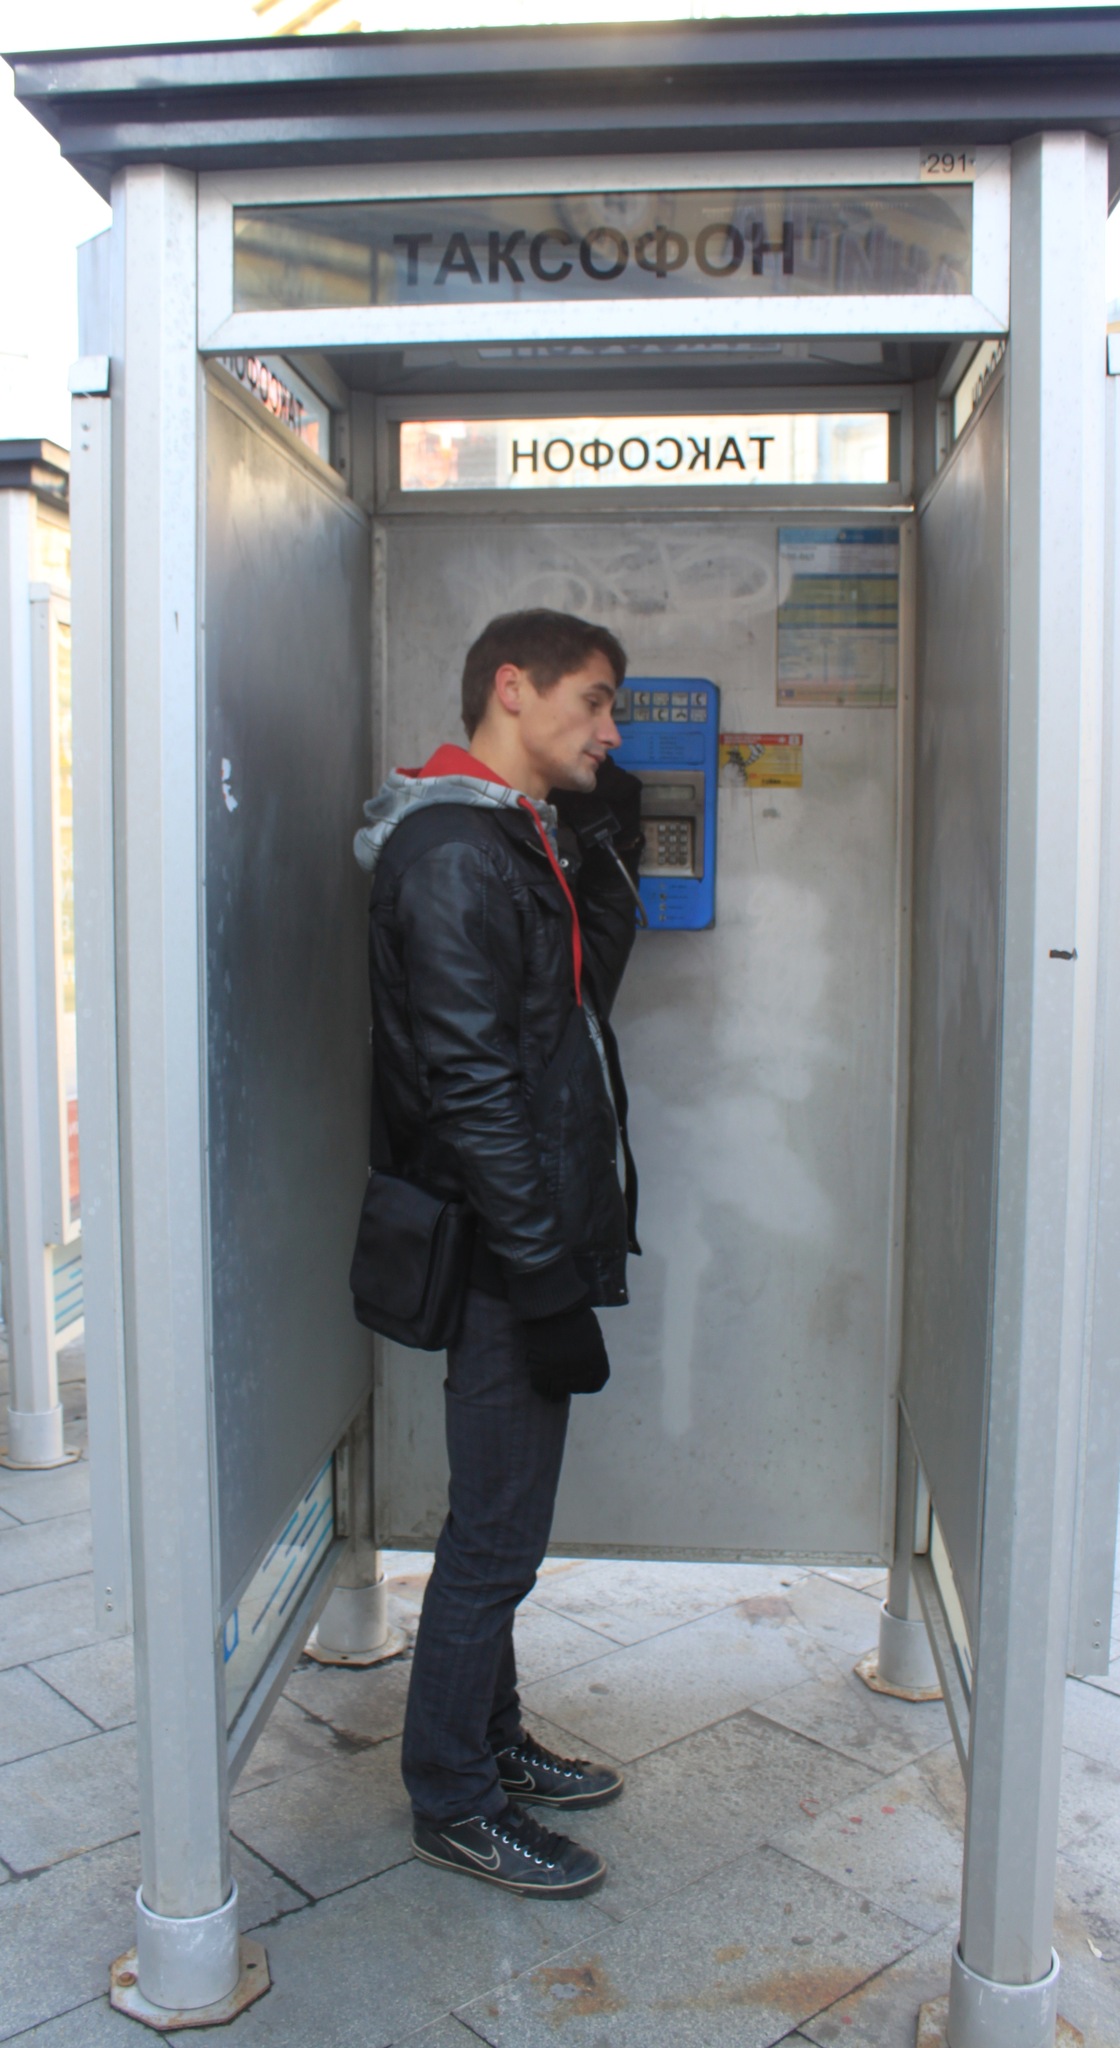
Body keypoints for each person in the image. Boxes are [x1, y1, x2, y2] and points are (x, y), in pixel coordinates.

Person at [354, 608, 644, 1899]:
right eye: (595, 702)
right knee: (496, 1539)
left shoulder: (511, 836)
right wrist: (540, 1280)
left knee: (503, 1520)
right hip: (497, 1250)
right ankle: (453, 1796)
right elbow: (473, 1090)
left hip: (524, 1235)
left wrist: (604, 844)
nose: (611, 730)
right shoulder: (455, 854)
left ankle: (493, 1739)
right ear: (512, 689)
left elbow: (574, 1014)